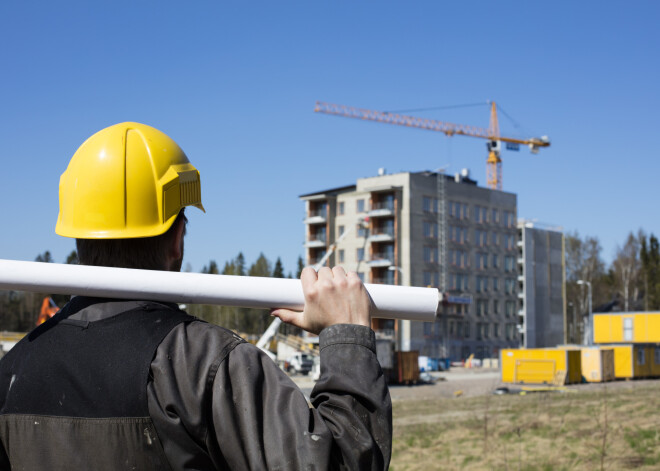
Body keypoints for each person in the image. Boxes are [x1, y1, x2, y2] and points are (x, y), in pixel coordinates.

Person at [0, 122, 392, 470]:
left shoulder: (13, 371)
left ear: (78, 235)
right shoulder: (206, 366)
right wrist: (347, 337)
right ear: (177, 238)